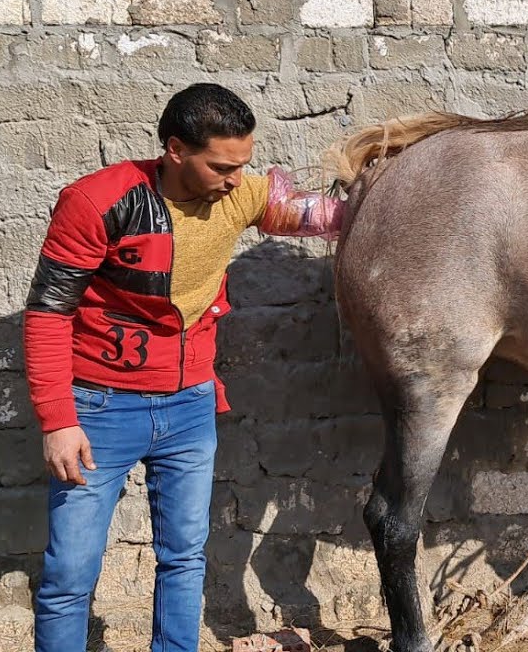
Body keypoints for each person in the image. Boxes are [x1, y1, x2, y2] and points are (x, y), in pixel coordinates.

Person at [24, 83, 342, 651]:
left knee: (184, 558)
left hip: (190, 405)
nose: (235, 180)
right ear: (175, 150)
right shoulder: (97, 201)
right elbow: (48, 314)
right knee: (70, 574)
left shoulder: (239, 194)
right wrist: (57, 420)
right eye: (221, 165)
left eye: (243, 164)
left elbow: (312, 215)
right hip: (99, 408)